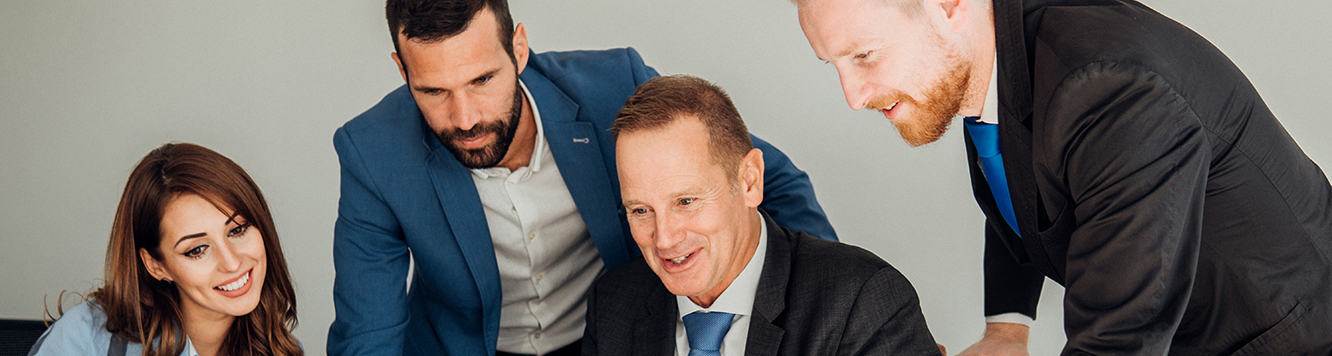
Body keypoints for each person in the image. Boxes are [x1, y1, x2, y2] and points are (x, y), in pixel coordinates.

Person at [794, 0, 1332, 354]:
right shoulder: (988, 57)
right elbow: (1029, 182)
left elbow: (1119, 339)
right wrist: (1006, 329)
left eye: (864, 55)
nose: (853, 96)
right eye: (833, 65)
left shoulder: (1107, 89)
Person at [328, 1, 838, 355]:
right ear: (401, 70)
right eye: (434, 91)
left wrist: (824, 310)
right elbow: (367, 332)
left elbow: (769, 179)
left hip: (612, 341)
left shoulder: (614, 88)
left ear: (519, 49)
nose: (464, 118)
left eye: (482, 80)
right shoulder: (372, 152)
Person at [582, 75, 939, 356]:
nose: (664, 238)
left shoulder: (861, 302)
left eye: (686, 201)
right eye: (641, 210)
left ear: (750, 181)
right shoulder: (614, 305)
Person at [28, 143, 302, 356]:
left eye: (237, 230)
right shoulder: (84, 339)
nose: (231, 263)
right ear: (155, 265)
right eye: (196, 250)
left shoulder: (276, 347)